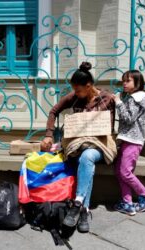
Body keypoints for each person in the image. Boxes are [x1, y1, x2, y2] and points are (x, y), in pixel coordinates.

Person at [41, 62, 116, 233]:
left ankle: (77, 202)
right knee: (84, 157)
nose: (76, 93)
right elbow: (54, 111)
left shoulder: (107, 99)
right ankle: (83, 209)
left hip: (100, 143)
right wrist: (48, 134)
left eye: (79, 89)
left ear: (89, 86)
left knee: (88, 156)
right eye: (74, 89)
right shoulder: (74, 97)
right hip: (77, 144)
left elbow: (108, 128)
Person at [113, 70, 145, 216]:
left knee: (125, 172)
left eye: (128, 81)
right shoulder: (132, 97)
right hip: (127, 139)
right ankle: (127, 203)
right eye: (123, 80)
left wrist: (118, 102)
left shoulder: (137, 98)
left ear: (137, 83)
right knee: (119, 171)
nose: (124, 83)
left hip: (134, 141)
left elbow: (128, 118)